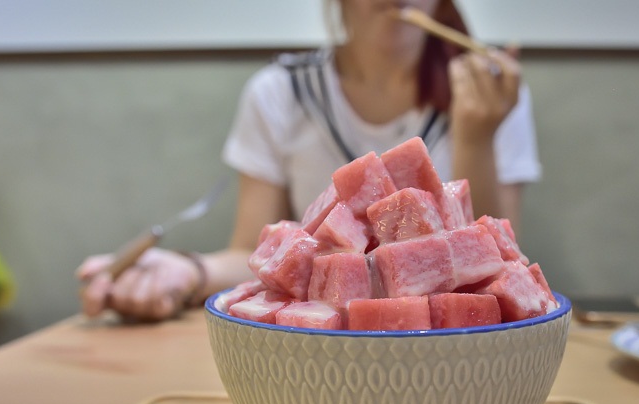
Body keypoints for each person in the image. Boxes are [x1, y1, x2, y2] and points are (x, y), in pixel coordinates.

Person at [76, 0, 541, 321]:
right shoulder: (279, 92)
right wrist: (189, 270)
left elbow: (494, 263)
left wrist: (477, 139)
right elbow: (259, 257)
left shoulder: (492, 97)